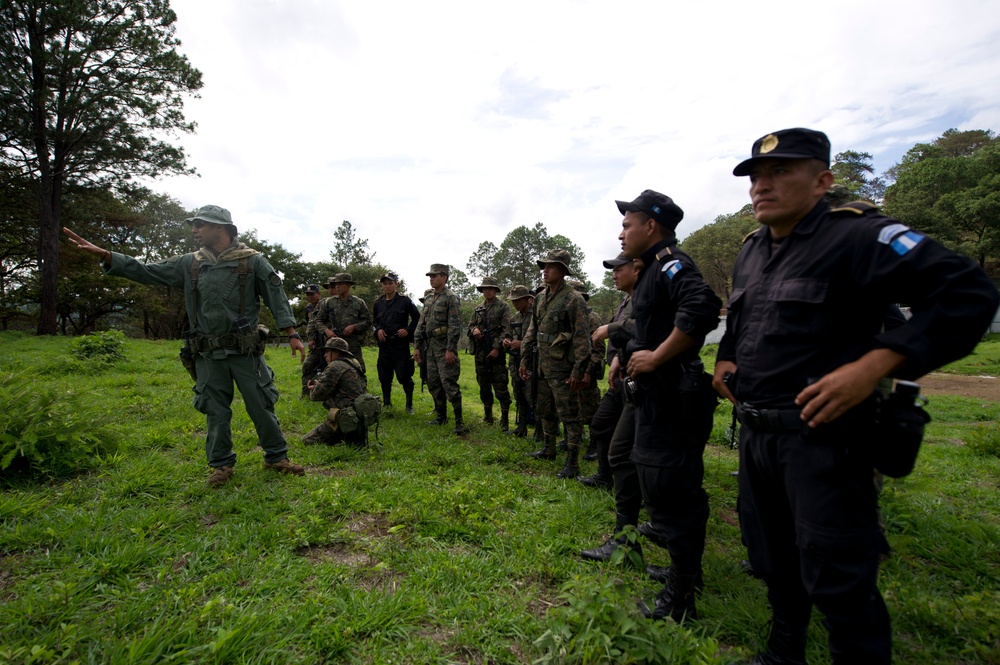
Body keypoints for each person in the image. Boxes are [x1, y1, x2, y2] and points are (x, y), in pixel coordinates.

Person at [714, 127, 999, 665]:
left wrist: (876, 364)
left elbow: (968, 293)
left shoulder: (859, 236)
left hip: (824, 440)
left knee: (838, 578)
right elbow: (743, 315)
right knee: (773, 560)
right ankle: (783, 653)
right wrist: (727, 353)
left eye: (781, 173)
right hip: (757, 435)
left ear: (822, 181)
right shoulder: (752, 249)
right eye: (756, 176)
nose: (761, 186)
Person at [63, 205, 307, 487]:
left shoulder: (252, 262)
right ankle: (221, 466)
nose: (194, 231)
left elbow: (276, 295)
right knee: (215, 410)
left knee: (261, 404)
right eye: (194, 225)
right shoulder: (189, 263)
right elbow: (147, 271)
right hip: (206, 353)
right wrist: (107, 255)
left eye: (200, 225)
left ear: (220, 227)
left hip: (245, 351)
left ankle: (276, 458)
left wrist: (292, 333)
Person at [617, 190, 722, 623]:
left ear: (651, 226)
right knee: (666, 490)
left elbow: (704, 308)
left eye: (628, 224)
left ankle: (681, 599)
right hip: (657, 397)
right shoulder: (655, 271)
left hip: (673, 396)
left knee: (671, 493)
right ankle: (685, 574)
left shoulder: (671, 264)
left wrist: (658, 356)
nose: (621, 233)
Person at [519, 248, 591, 478]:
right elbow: (532, 330)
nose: (545, 270)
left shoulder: (573, 299)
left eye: (551, 266)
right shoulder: (540, 297)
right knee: (544, 408)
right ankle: (548, 448)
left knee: (569, 413)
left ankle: (572, 461)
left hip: (563, 367)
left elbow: (582, 338)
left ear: (562, 270)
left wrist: (578, 371)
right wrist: (524, 360)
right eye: (544, 266)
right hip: (541, 364)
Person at [577, 253, 637, 490]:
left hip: (636, 377)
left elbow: (641, 328)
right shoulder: (625, 301)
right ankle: (605, 476)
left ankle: (632, 484)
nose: (614, 275)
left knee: (634, 436)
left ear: (636, 269)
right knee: (601, 423)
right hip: (619, 375)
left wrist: (610, 329)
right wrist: (615, 361)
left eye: (619, 270)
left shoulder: (642, 298)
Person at [414, 264, 465, 434]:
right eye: (430, 276)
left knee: (449, 383)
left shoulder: (451, 297)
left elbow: (455, 325)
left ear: (444, 277)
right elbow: (421, 323)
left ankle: (459, 423)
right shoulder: (429, 299)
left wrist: (450, 349)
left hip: (444, 347)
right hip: (429, 347)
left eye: (434, 276)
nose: (431, 278)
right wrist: (417, 346)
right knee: (434, 383)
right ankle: (441, 416)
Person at [303, 337, 368, 445]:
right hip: (360, 416)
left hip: (345, 417)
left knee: (308, 440)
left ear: (337, 352)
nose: (325, 355)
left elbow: (316, 396)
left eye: (328, 351)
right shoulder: (354, 362)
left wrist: (314, 388)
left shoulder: (335, 366)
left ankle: (341, 435)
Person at [372, 272, 420, 413]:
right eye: (385, 283)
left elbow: (417, 318)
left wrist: (408, 329)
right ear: (382, 285)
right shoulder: (378, 303)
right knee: (384, 376)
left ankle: (409, 405)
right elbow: (374, 322)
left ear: (396, 284)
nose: (387, 286)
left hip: (400, 345)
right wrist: (378, 330)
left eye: (390, 283)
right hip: (384, 345)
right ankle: (387, 404)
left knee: (403, 375)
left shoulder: (405, 301)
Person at [468, 276, 512, 430]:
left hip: (496, 354)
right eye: (484, 289)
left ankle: (505, 420)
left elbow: (507, 329)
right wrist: (474, 330)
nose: (487, 291)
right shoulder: (478, 308)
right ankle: (488, 416)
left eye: (490, 288)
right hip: (481, 353)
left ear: (495, 290)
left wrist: (497, 348)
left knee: (500, 386)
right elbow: (470, 325)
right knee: (484, 386)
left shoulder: (503, 307)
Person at [316, 272, 373, 374]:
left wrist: (354, 327)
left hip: (352, 343)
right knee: (332, 371)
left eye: (340, 284)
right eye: (335, 284)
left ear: (348, 285)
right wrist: (326, 330)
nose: (337, 287)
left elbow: (368, 321)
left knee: (358, 369)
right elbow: (318, 321)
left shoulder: (358, 302)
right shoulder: (328, 302)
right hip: (333, 344)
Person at [502, 285, 536, 438]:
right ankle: (521, 428)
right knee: (519, 395)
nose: (514, 303)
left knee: (534, 396)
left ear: (527, 299)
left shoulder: (536, 315)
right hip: (515, 362)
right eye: (512, 301)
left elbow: (542, 339)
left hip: (533, 362)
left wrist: (522, 344)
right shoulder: (514, 318)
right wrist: (507, 341)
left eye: (517, 300)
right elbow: (508, 334)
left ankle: (540, 431)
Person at [301, 283, 325, 398]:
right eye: (308, 295)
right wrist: (311, 339)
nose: (310, 297)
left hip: (327, 341)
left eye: (313, 294)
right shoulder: (308, 308)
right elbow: (310, 325)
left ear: (319, 294)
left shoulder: (326, 304)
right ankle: (306, 393)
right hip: (315, 343)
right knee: (308, 365)